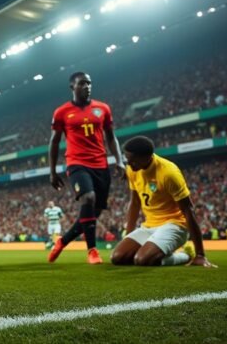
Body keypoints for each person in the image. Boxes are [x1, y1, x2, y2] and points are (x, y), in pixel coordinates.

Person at [48, 72, 125, 265]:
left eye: (89, 83)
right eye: (82, 83)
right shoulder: (62, 112)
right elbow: (54, 142)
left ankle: (62, 241)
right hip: (77, 163)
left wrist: (119, 160)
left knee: (93, 213)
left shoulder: (103, 108)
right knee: (88, 198)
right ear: (72, 87)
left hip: (101, 165)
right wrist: (52, 170)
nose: (87, 87)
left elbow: (111, 136)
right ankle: (92, 251)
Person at [110, 136, 216, 268]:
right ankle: (156, 252)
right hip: (149, 225)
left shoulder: (169, 173)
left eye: (132, 160)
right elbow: (135, 203)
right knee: (118, 258)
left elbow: (188, 210)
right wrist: (128, 235)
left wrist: (200, 255)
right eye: (127, 159)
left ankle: (186, 255)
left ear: (146, 157)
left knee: (142, 260)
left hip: (175, 224)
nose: (129, 164)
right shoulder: (132, 169)